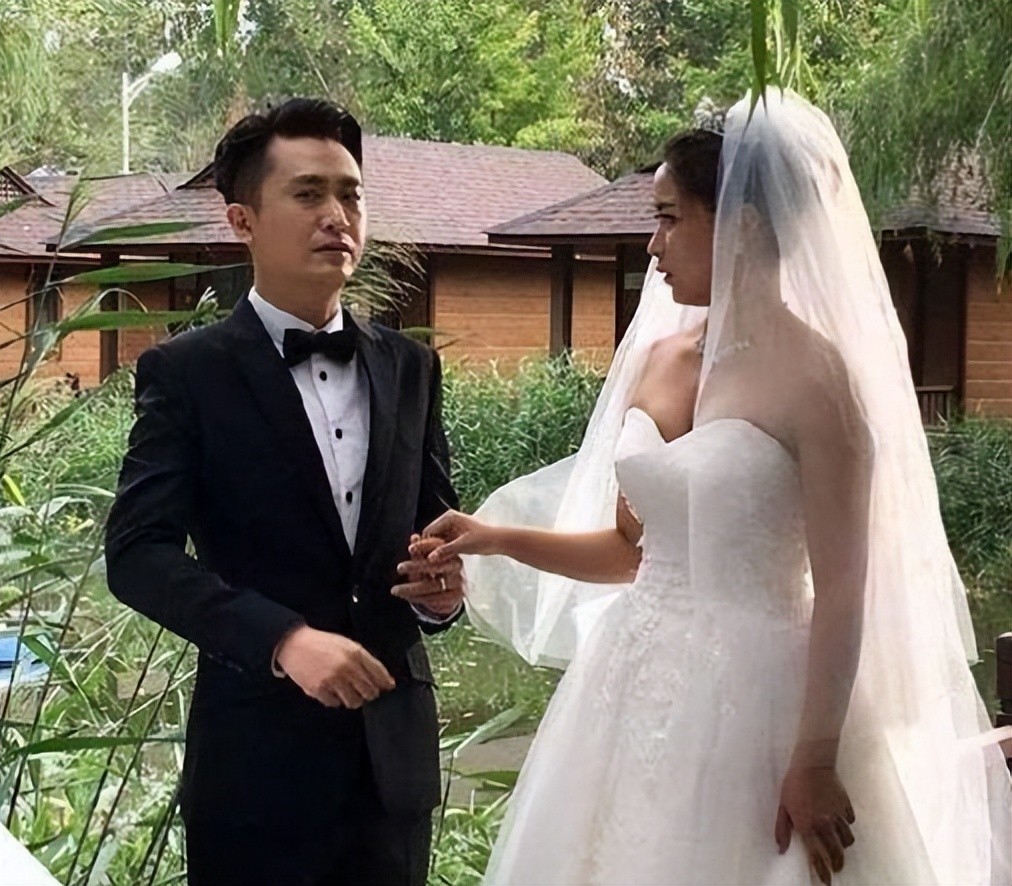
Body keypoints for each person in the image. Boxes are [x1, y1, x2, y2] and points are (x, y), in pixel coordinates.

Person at [399, 90, 1011, 884]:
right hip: (632, 680)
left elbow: (845, 592)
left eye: (669, 218)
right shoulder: (658, 360)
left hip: (759, 703)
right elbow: (632, 553)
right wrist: (495, 537)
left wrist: (815, 757)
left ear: (742, 226)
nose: (652, 244)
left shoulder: (818, 381)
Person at [104, 98, 466, 886]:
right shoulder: (186, 373)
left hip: (392, 765)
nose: (337, 215)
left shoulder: (411, 367)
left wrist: (441, 596)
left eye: (351, 194)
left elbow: (434, 532)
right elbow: (136, 555)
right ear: (243, 220)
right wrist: (282, 640)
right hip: (255, 770)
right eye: (308, 194)